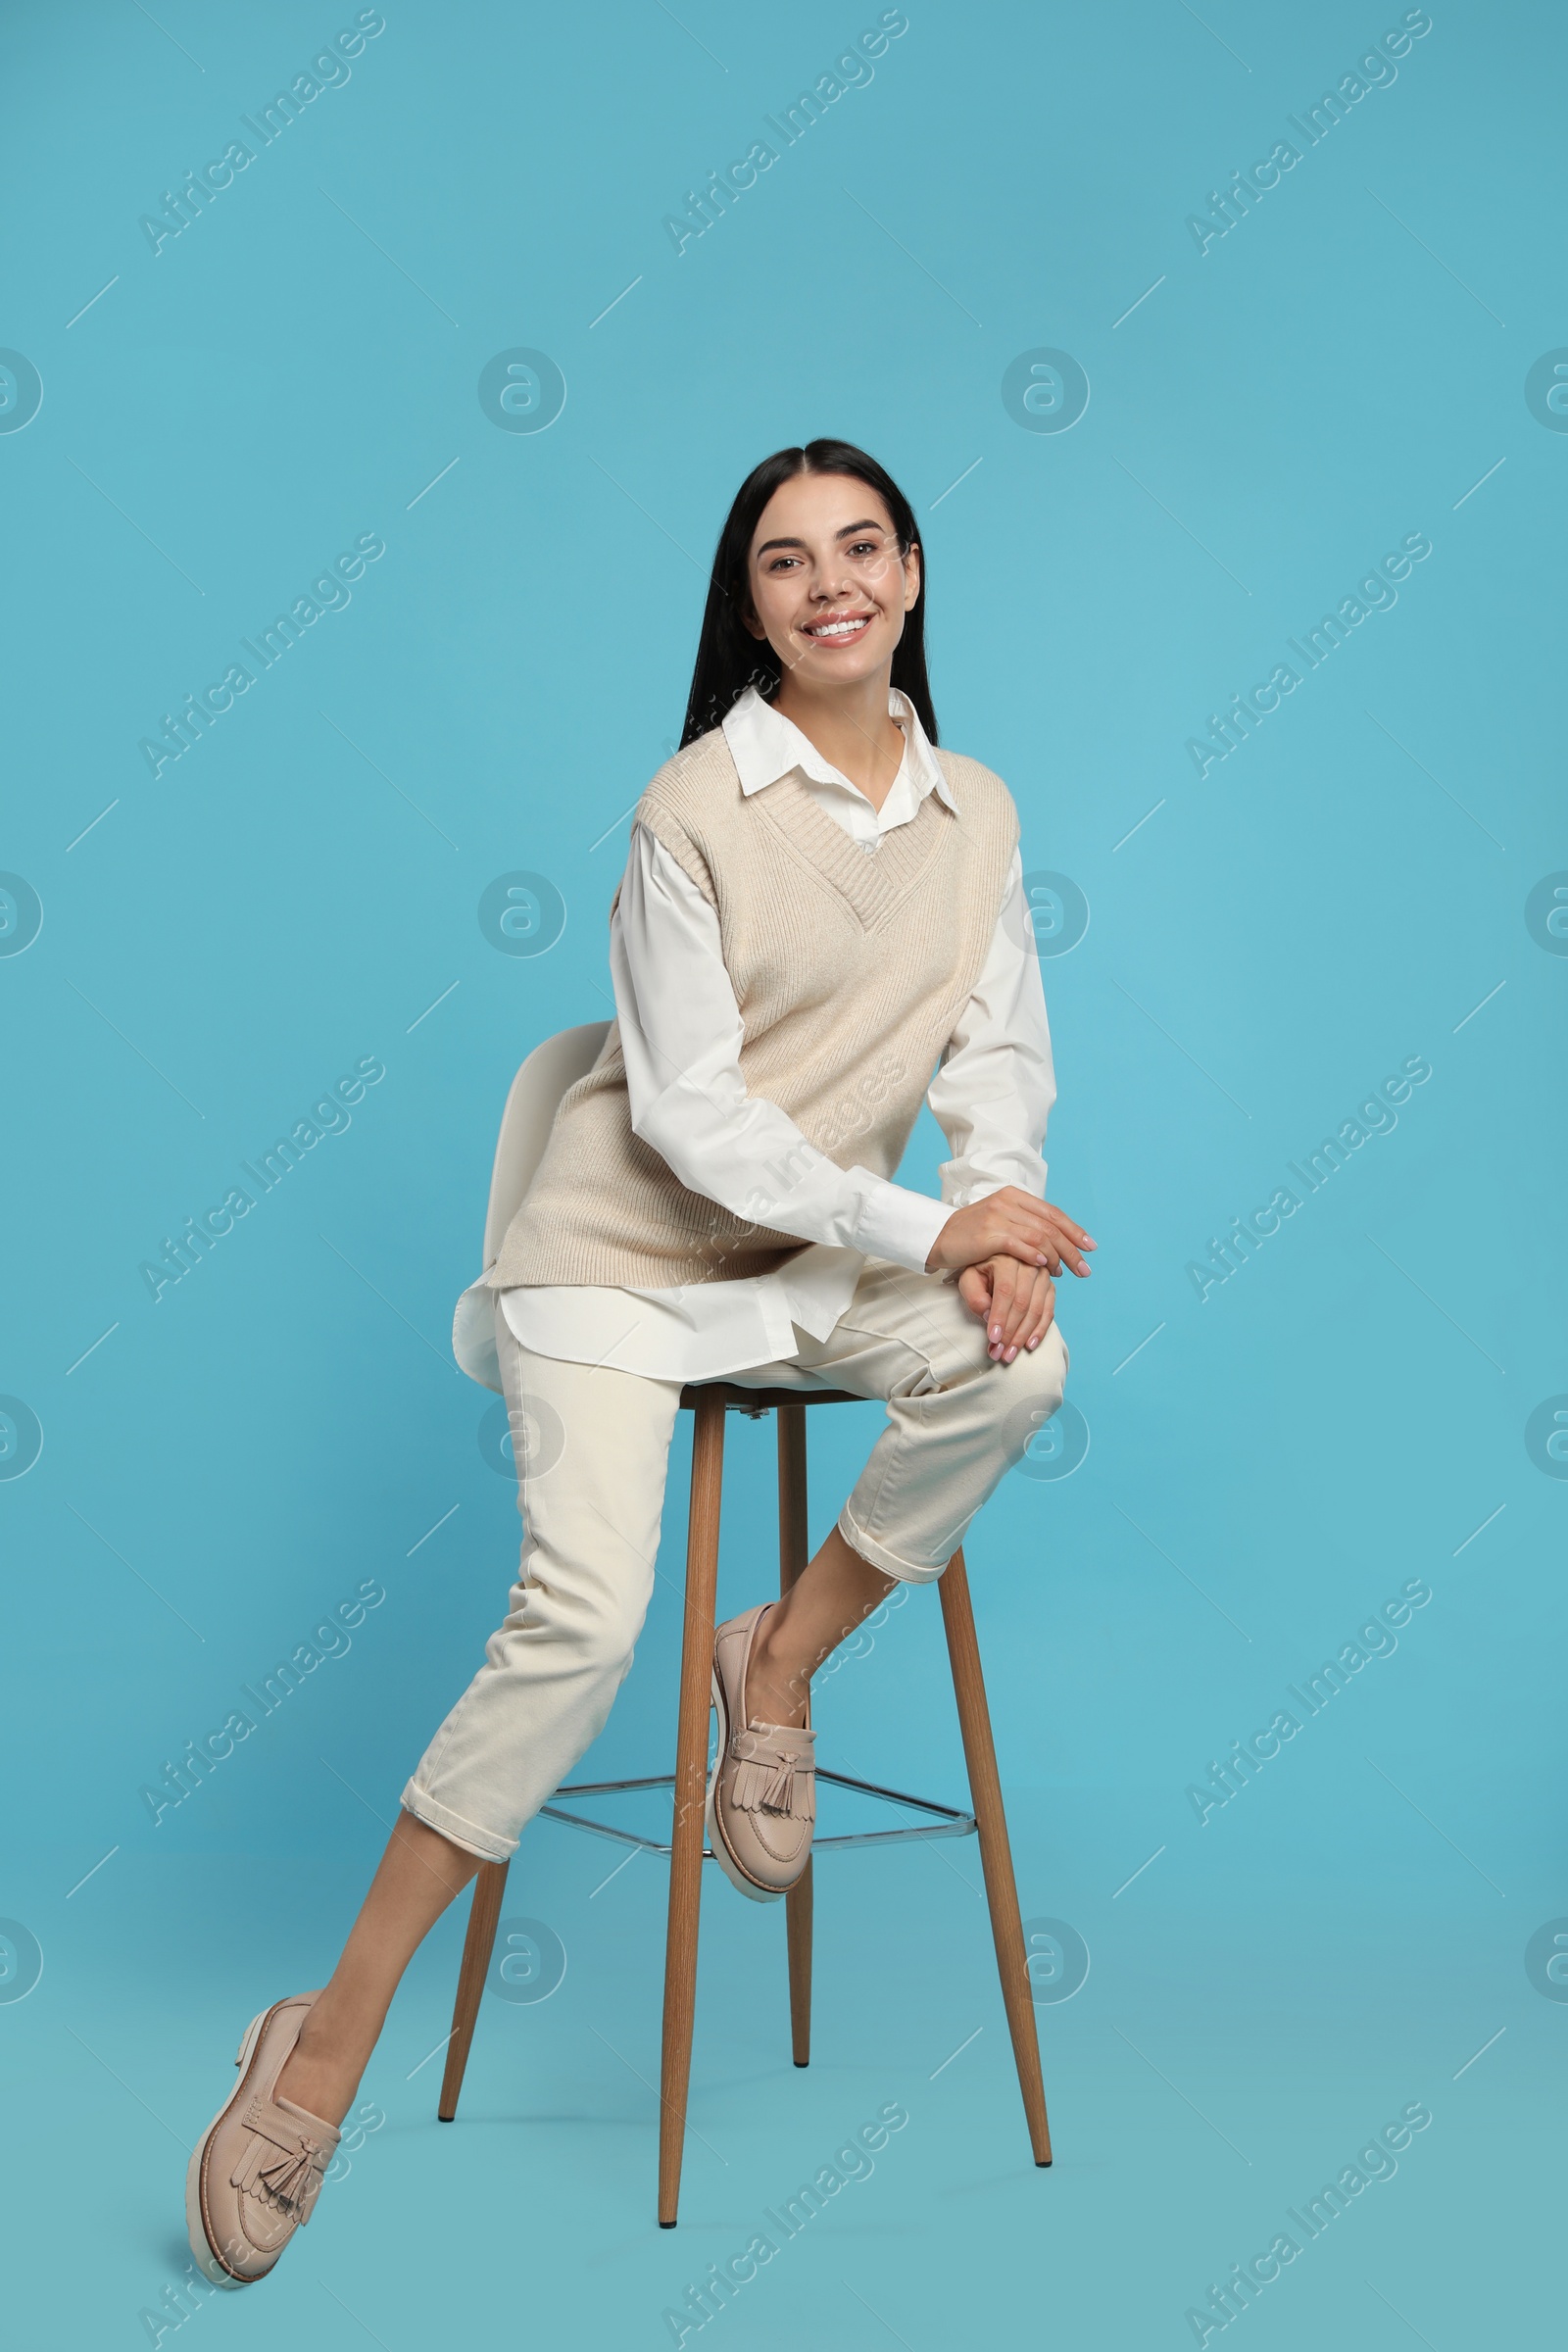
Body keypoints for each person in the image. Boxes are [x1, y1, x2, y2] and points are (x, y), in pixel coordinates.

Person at [186, 437, 1095, 2285]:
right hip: (617, 1253)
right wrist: (934, 1228)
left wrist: (998, 1213)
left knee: (1023, 1374)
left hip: (811, 1257)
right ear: (747, 600)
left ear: (913, 575)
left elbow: (996, 1060)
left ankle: (780, 1651)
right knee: (586, 1623)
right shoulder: (688, 813)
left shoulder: (979, 813)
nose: (828, 581)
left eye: (861, 547)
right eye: (785, 560)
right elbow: (687, 1123)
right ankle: (328, 2034)